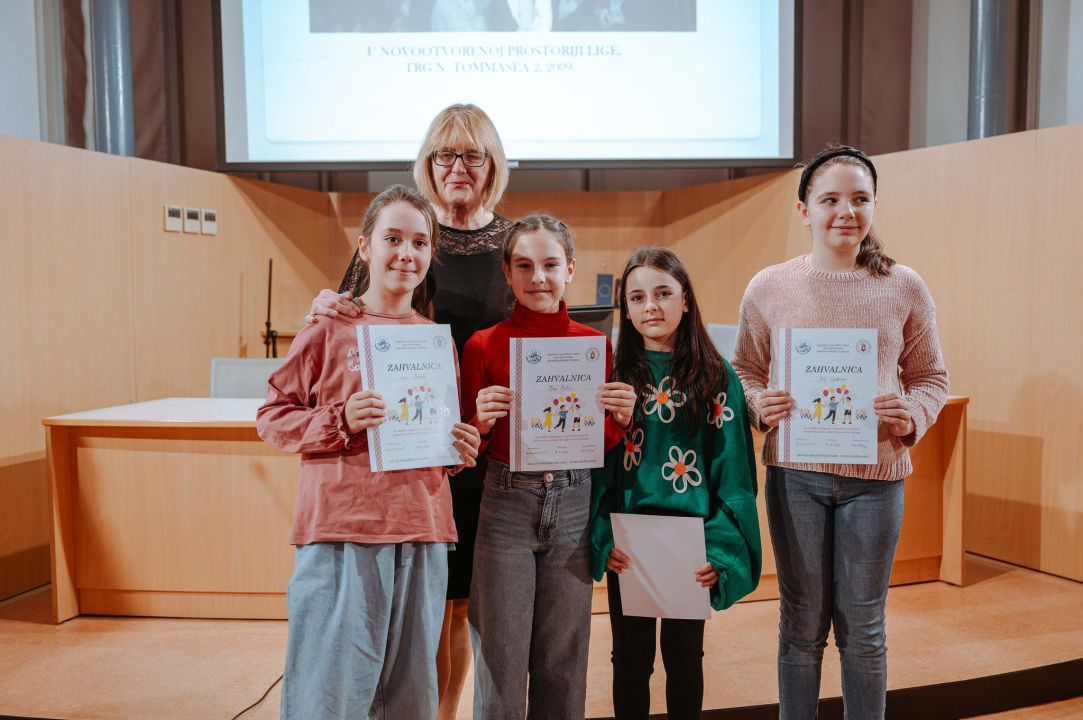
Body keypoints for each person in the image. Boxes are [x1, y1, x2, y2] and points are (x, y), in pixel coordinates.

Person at [306, 104, 513, 720]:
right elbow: (352, 314)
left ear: (491, 166)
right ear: (427, 164)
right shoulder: (406, 234)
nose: (458, 167)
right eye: (444, 155)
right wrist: (327, 306)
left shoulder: (513, 242)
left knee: (466, 602)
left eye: (472, 155)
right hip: (411, 454)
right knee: (432, 600)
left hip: (485, 444)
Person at [731, 145, 949, 720]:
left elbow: (930, 378)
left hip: (876, 479)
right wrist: (760, 403)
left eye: (860, 199)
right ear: (804, 210)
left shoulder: (904, 285)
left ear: (874, 205)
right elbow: (744, 370)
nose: (845, 211)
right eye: (830, 199)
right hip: (795, 475)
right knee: (801, 624)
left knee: (865, 627)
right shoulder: (770, 286)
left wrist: (913, 413)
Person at [257, 185, 482, 719]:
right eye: (394, 238)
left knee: (409, 695)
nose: (407, 252)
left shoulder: (434, 340)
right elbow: (272, 417)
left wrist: (459, 445)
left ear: (431, 256)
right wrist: (339, 421)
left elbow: (433, 438)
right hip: (343, 531)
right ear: (365, 247)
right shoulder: (329, 329)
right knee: (331, 693)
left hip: (423, 530)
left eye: (420, 242)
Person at [460, 214, 637, 719]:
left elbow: (591, 440)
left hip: (575, 504)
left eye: (550, 264)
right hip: (506, 504)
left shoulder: (595, 345)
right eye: (525, 265)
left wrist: (619, 423)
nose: (538, 277)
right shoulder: (482, 345)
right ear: (507, 273)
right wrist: (483, 423)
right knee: (501, 658)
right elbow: (464, 445)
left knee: (564, 658)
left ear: (571, 270)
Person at [590, 247, 761, 720]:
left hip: (693, 544)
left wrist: (721, 551)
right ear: (625, 306)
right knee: (629, 662)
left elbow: (734, 473)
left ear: (686, 299)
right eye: (638, 297)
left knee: (685, 661)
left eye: (664, 293)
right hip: (631, 546)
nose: (651, 307)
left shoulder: (716, 376)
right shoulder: (613, 375)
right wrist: (603, 539)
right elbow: (596, 468)